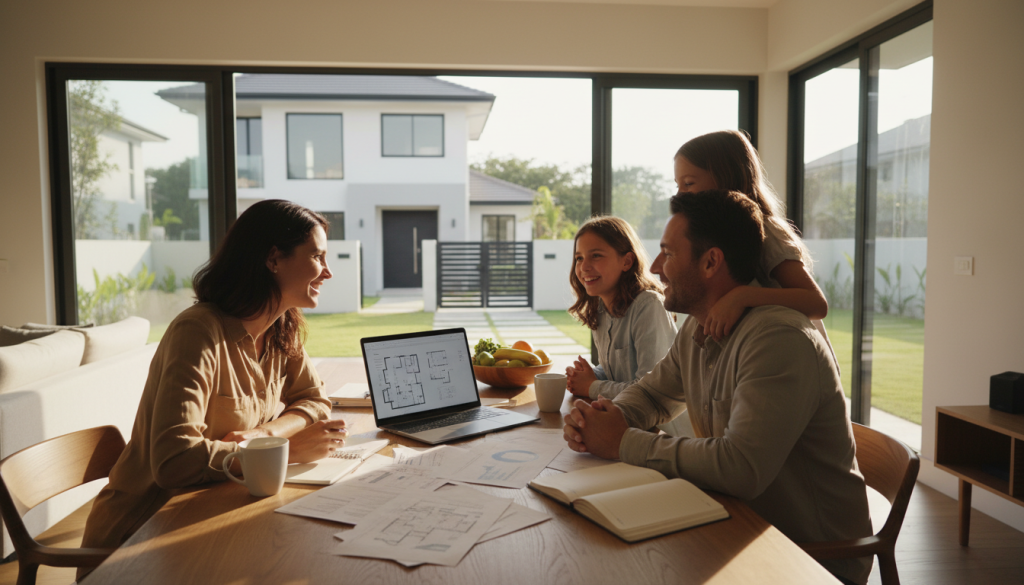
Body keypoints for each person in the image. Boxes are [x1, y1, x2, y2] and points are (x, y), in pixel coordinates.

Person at [562, 190, 872, 585]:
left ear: (710, 262)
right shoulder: (699, 324)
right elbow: (654, 393)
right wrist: (604, 417)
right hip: (732, 520)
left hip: (806, 558)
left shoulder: (778, 339)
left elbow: (741, 468)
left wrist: (621, 441)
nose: (654, 267)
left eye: (667, 254)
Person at [79, 199, 346, 576]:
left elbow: (314, 399)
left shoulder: (281, 327)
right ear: (273, 259)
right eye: (317, 257)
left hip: (215, 511)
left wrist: (266, 435)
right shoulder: (197, 332)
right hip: (142, 536)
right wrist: (280, 452)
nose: (328, 272)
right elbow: (174, 461)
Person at [674, 130, 831, 347]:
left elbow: (816, 303)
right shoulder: (716, 236)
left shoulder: (767, 231)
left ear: (725, 177)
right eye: (678, 185)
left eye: (689, 184)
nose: (679, 195)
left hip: (791, 350)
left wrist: (742, 296)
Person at [564, 216, 676, 406]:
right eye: (579, 258)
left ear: (627, 261)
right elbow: (618, 370)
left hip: (660, 424)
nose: (584, 267)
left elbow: (651, 392)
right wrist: (589, 375)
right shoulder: (600, 308)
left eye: (596, 255)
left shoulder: (648, 305)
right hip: (622, 418)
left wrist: (591, 387)